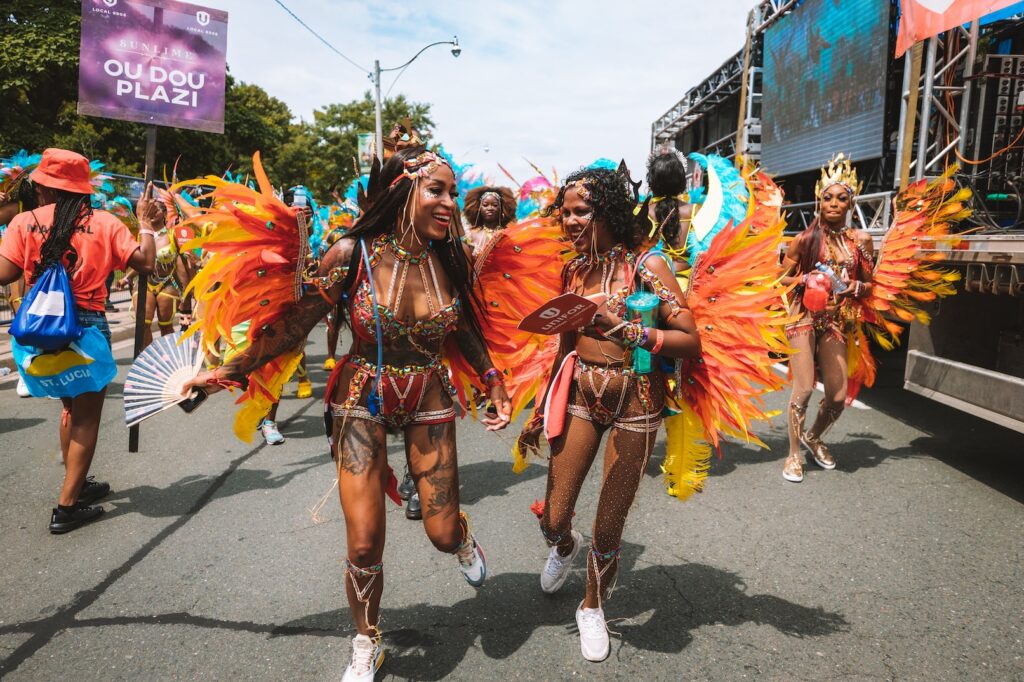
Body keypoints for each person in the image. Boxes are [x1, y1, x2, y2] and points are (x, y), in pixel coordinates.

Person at [183, 147, 511, 681]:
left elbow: (463, 330)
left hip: (428, 393)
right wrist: (229, 371)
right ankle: (367, 640)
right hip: (361, 397)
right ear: (406, 193)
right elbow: (295, 326)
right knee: (363, 539)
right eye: (438, 191)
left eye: (453, 192)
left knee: (442, 532)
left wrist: (493, 380)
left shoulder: (451, 259)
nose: (451, 202)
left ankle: (463, 539)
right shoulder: (351, 253)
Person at [517, 167, 701, 662]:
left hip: (637, 401)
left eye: (581, 212)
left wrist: (626, 330)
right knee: (555, 517)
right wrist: (539, 410)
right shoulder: (573, 271)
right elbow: (561, 348)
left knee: (609, 522)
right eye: (566, 212)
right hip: (580, 395)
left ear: (610, 213)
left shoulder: (648, 266)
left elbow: (690, 341)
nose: (570, 221)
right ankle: (562, 546)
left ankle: (593, 606)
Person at [0, 149, 156, 533]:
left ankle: (78, 482)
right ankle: (67, 507)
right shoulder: (103, 223)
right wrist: (147, 224)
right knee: (86, 419)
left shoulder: (24, 221)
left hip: (39, 329)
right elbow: (147, 264)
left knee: (69, 409)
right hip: (85, 327)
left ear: (45, 188)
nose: (35, 191)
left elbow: (4, 275)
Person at [779, 155, 873, 482]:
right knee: (804, 388)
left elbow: (871, 285)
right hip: (802, 316)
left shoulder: (860, 242)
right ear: (820, 201)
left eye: (841, 198)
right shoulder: (804, 240)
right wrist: (802, 280)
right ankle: (793, 454)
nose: (833, 204)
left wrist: (855, 285)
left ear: (851, 202)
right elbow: (779, 279)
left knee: (836, 395)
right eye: (827, 198)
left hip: (835, 320)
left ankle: (814, 436)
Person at [462, 185, 517, 257]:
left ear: (501, 208)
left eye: (495, 205)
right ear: (478, 208)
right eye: (485, 205)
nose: (490, 208)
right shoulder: (470, 235)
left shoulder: (507, 234)